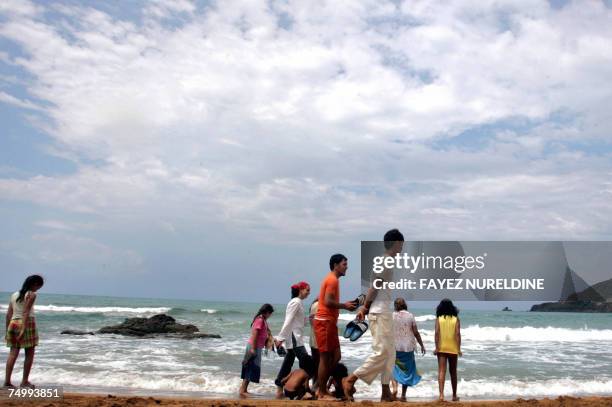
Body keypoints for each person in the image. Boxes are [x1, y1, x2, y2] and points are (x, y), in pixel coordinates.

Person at [343, 229, 404, 402]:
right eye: (401, 244)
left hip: (384, 310)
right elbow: (374, 287)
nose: (402, 248)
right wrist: (365, 307)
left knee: (390, 353)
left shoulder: (386, 261)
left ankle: (385, 392)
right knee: (382, 352)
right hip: (379, 312)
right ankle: (350, 380)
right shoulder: (385, 261)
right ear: (396, 243)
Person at [313, 254, 357, 400]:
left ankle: (322, 385)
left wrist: (345, 305)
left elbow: (328, 300)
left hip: (330, 322)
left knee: (336, 356)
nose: (347, 266)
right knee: (325, 358)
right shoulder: (332, 280)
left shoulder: (333, 279)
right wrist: (344, 306)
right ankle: (321, 392)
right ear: (336, 265)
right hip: (324, 322)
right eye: (344, 264)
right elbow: (327, 301)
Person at [274, 281, 314, 399]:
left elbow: (298, 321)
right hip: (294, 338)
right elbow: (288, 320)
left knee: (288, 363)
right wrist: (280, 338)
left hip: (296, 337)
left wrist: (308, 319)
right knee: (308, 364)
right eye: (307, 290)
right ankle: (303, 390)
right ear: (301, 290)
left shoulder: (298, 302)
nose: (309, 292)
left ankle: (280, 388)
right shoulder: (295, 302)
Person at [4, 274, 44, 389]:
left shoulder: (14, 294)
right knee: (29, 354)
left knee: (13, 353)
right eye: (39, 286)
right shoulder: (31, 294)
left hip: (13, 323)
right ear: (35, 284)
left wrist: (7, 331)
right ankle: (24, 381)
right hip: (27, 323)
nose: (38, 289)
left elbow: (8, 314)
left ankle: (7, 382)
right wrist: (23, 329)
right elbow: (26, 312)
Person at [391, 297, 425, 401]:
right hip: (408, 348)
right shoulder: (410, 316)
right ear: (405, 304)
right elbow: (415, 332)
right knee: (406, 370)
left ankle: (395, 388)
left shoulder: (392, 316)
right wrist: (421, 345)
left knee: (393, 368)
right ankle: (403, 395)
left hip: (394, 347)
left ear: (395, 306)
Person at [239, 303, 274, 398]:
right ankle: (242, 390)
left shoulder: (263, 320)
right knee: (250, 367)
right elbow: (255, 334)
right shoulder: (260, 320)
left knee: (251, 367)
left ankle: (244, 389)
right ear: (266, 312)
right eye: (270, 313)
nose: (270, 316)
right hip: (253, 347)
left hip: (257, 347)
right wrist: (253, 348)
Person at [434, 298, 462, 402]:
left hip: (442, 348)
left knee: (441, 371)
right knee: (453, 372)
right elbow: (457, 334)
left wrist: (437, 347)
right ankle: (454, 395)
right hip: (453, 348)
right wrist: (458, 349)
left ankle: (441, 395)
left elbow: (437, 333)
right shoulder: (456, 319)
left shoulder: (439, 319)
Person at [308, 298, 320, 391]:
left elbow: (312, 319)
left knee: (316, 364)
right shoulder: (318, 305)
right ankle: (316, 387)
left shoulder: (314, 304)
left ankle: (315, 386)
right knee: (322, 364)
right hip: (318, 339)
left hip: (313, 339)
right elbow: (315, 322)